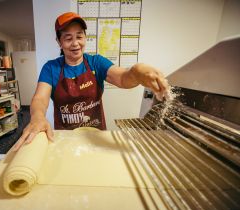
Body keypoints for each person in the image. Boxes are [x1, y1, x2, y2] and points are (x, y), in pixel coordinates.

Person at [14, 12, 169, 150]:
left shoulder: (96, 62)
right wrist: (37, 117)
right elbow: (40, 98)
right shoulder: (51, 68)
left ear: (85, 38)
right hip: (65, 139)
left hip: (96, 138)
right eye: (68, 38)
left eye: (79, 36)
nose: (75, 43)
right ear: (59, 42)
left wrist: (137, 71)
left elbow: (122, 78)